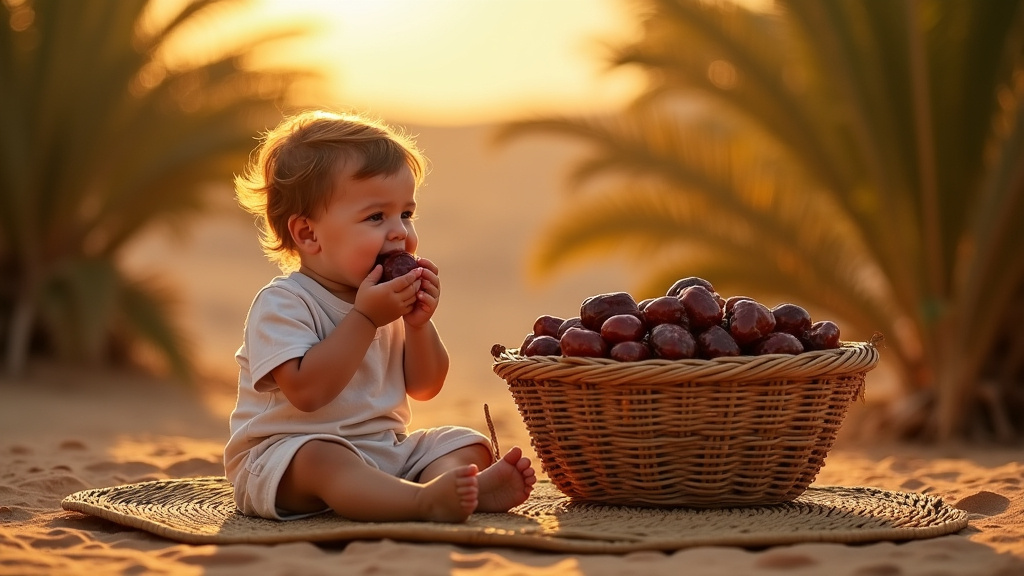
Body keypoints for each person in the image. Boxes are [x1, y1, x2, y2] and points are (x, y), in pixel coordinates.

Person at [223, 110, 536, 523]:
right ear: (308, 234)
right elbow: (307, 393)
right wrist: (366, 319)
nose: (399, 232)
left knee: (465, 443)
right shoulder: (284, 303)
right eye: (376, 217)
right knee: (322, 457)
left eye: (406, 214)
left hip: (382, 449)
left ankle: (449, 490)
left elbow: (426, 387)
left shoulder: (385, 302)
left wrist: (419, 324)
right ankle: (421, 502)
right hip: (286, 457)